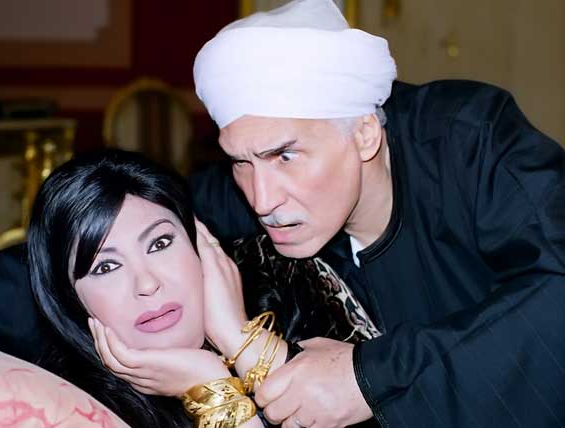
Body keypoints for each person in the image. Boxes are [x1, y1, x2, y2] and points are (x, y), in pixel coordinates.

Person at [189, 0, 565, 427]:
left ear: (365, 134)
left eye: (285, 156)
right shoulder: (233, 196)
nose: (261, 201)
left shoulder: (468, 143)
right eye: (240, 161)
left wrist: (368, 376)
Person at [25, 148, 372, 428]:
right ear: (69, 298)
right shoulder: (66, 410)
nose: (147, 283)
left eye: (160, 243)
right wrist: (210, 390)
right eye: (106, 267)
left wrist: (237, 337)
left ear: (199, 244)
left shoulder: (297, 295)